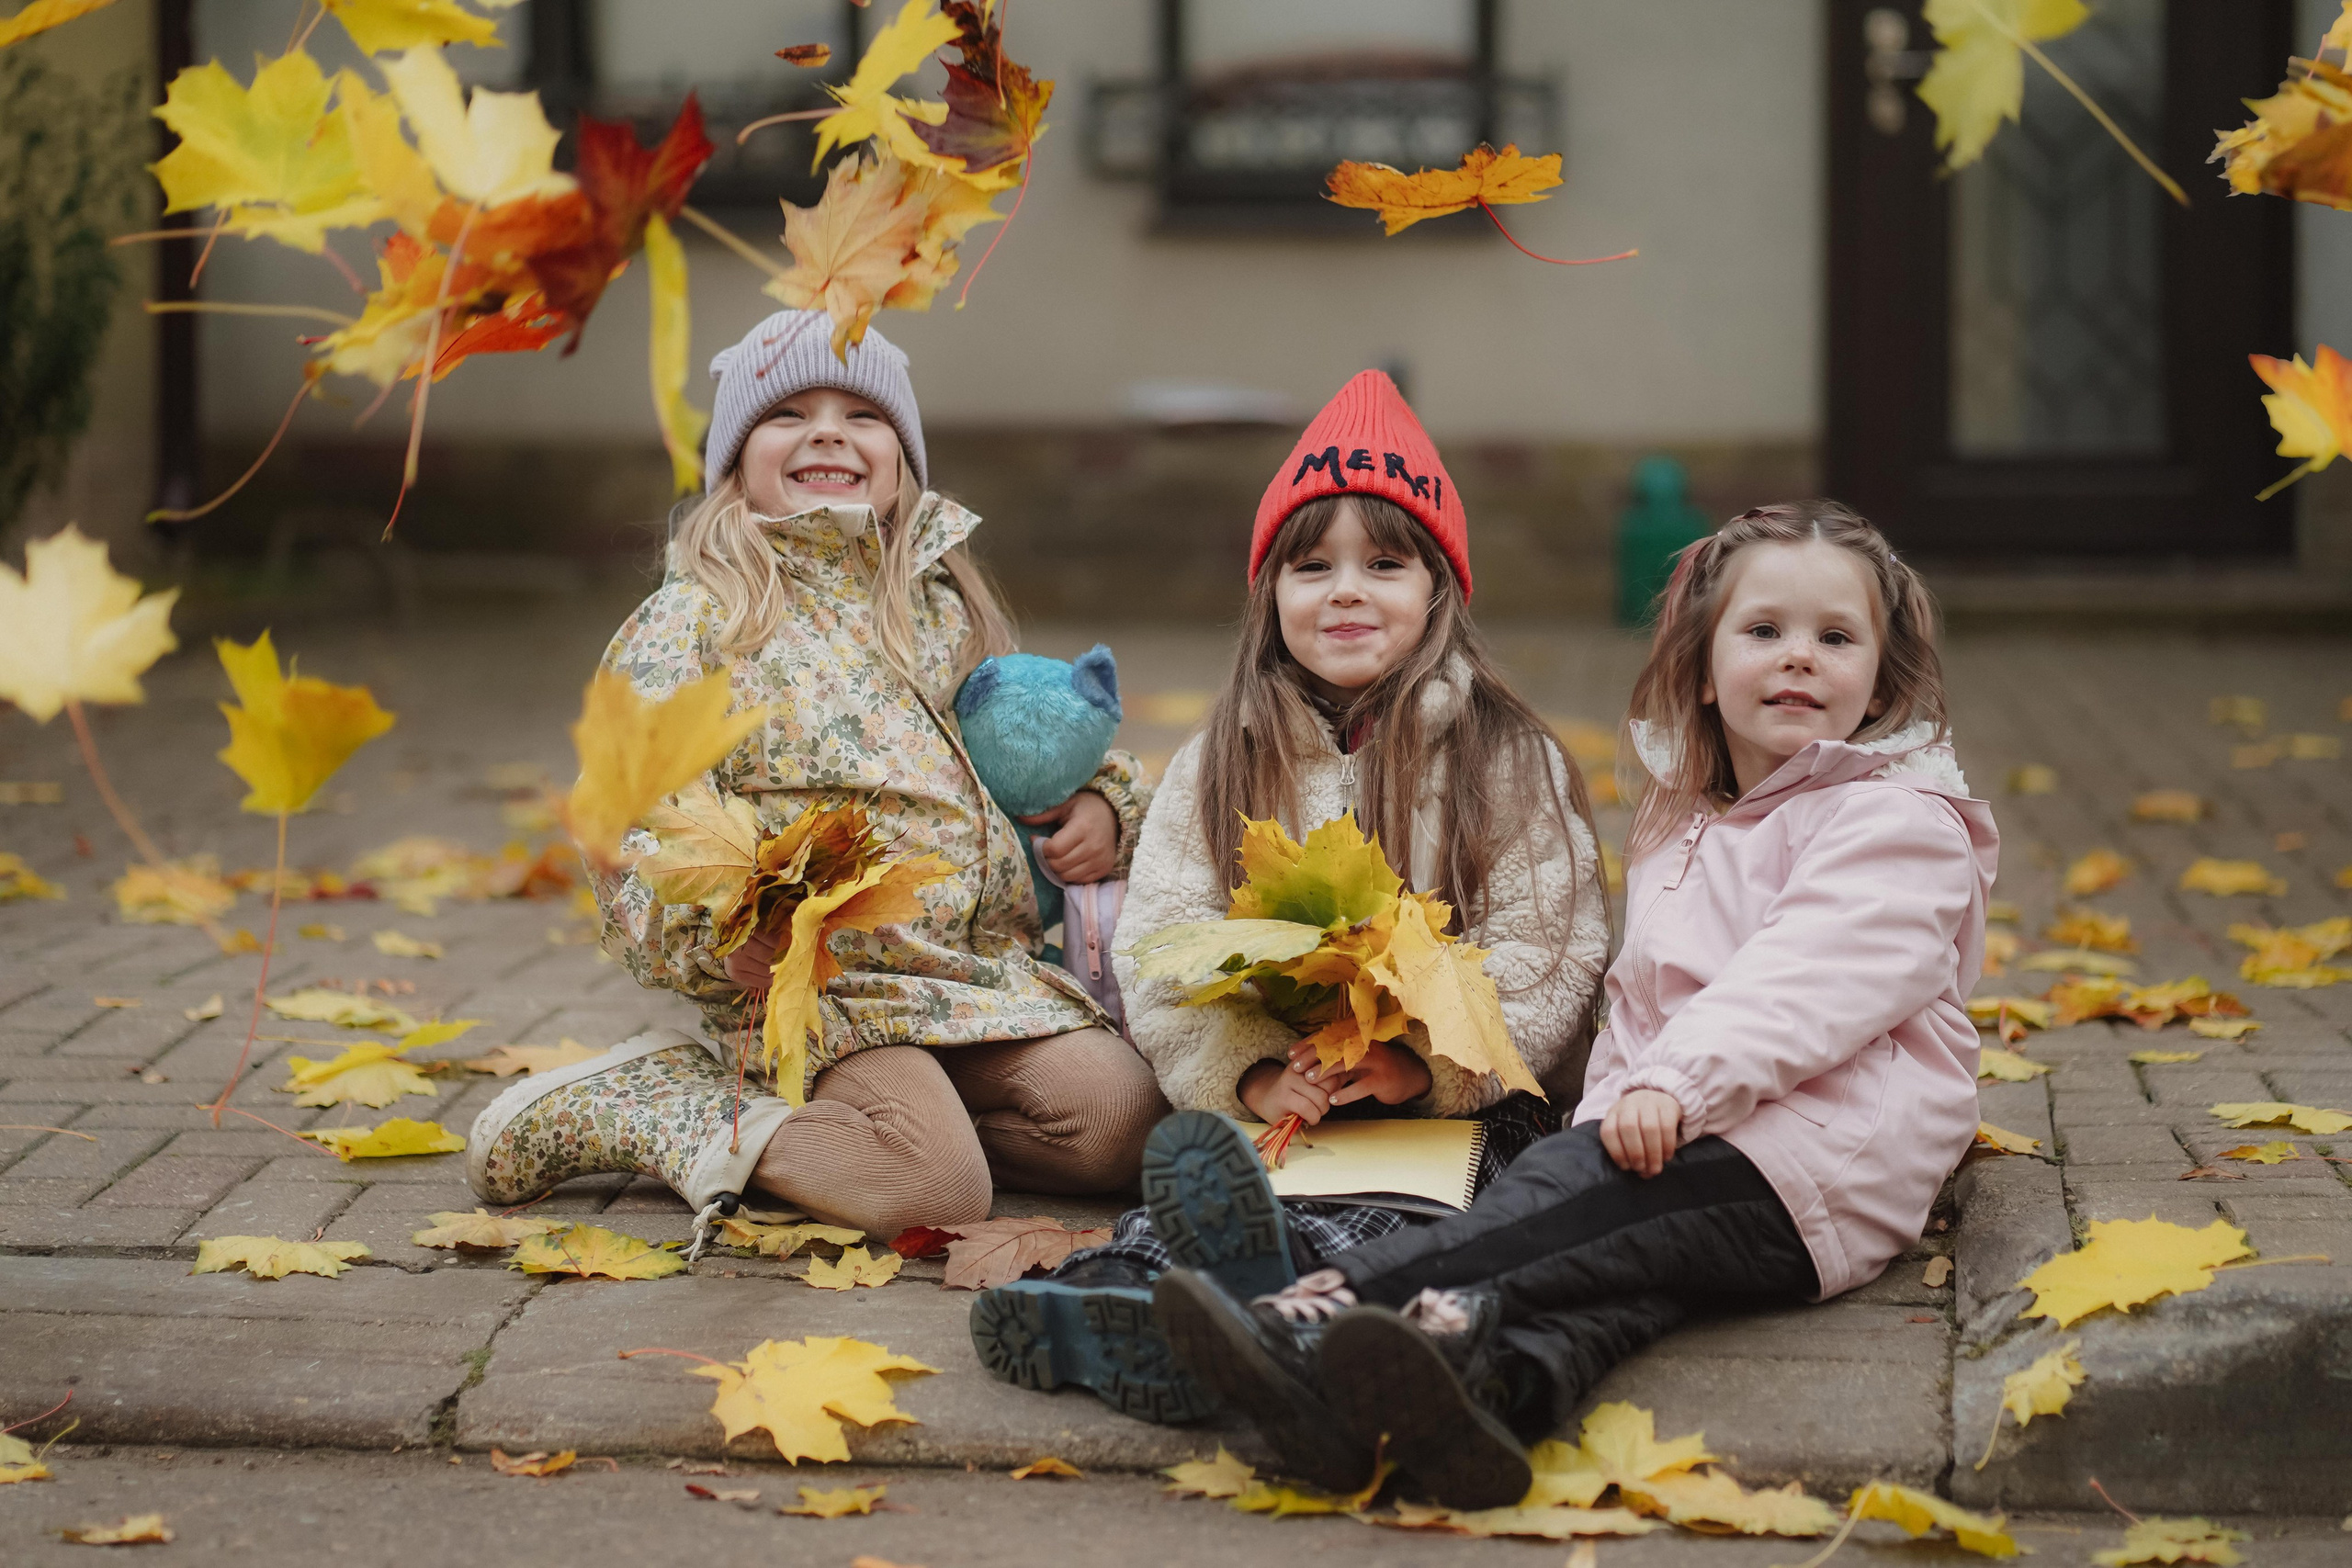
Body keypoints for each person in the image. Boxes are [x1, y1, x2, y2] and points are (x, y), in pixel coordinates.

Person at [1151, 500, 1996, 1508]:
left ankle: (1316, 1310)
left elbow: (1809, 983)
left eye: (1835, 637)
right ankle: (1478, 1403)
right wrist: (1617, 1111)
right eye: (1763, 632)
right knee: (1608, 1289)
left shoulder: (1894, 823)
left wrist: (1663, 1096)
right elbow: (1641, 1006)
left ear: (1883, 677)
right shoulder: (1688, 821)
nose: (1798, 659)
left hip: (1810, 1151)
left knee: (1549, 1212)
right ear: (1700, 667)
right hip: (1706, 1138)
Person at [967, 370, 1610, 1424]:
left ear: (1441, 588)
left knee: (1395, 1219)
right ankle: (1122, 1310)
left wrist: (1419, 1067)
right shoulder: (1224, 757)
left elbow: (1551, 952)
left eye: (1384, 563)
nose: (1345, 590)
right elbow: (1164, 943)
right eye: (1312, 566)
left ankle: (1285, 1334)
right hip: (1291, 1098)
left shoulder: (1508, 758)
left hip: (1456, 1108)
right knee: (1222, 1203)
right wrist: (1255, 1075)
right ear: (1270, 592)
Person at [466, 310, 1167, 1243]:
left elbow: (1033, 739)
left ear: (902, 457)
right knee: (936, 1198)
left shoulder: (941, 611)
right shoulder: (699, 622)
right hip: (818, 992)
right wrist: (713, 935)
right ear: (734, 459)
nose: (827, 430)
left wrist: (1101, 808)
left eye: (860, 414)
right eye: (788, 412)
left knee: (1123, 1125)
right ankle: (662, 1105)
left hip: (969, 981)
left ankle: (904, 1125)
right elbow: (628, 825)